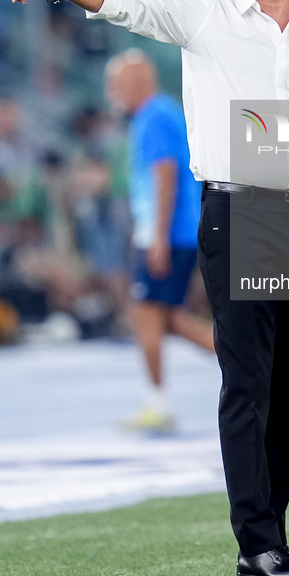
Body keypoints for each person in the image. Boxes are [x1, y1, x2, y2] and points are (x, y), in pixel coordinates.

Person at [0, 0, 289, 576]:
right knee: (248, 380)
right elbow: (127, 2)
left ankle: (273, 535)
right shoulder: (206, 11)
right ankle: (254, 543)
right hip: (236, 214)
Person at [104, 49, 214, 431]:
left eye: (116, 83)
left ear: (136, 83)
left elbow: (164, 177)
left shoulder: (153, 117)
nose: (111, 92)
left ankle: (157, 403)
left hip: (169, 231)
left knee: (146, 313)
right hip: (174, 230)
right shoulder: (160, 114)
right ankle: (254, 367)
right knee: (167, 319)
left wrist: (157, 238)